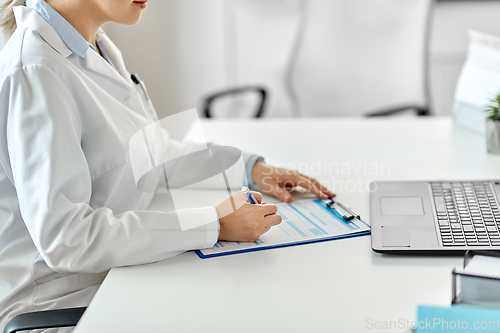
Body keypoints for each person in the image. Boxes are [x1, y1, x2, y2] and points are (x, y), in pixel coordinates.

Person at [0, 0, 335, 330]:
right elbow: (67, 238)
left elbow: (153, 154)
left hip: (119, 276)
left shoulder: (94, 45)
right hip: (62, 305)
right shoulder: (35, 71)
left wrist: (250, 169)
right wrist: (213, 224)